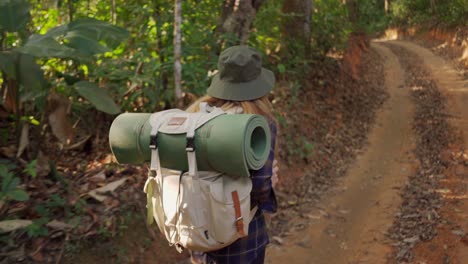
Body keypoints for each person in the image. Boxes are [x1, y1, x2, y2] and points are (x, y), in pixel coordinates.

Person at [186, 45, 279, 264]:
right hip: (241, 242)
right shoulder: (261, 125)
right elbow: (260, 189)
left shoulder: (195, 116)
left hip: (200, 236)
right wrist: (270, 182)